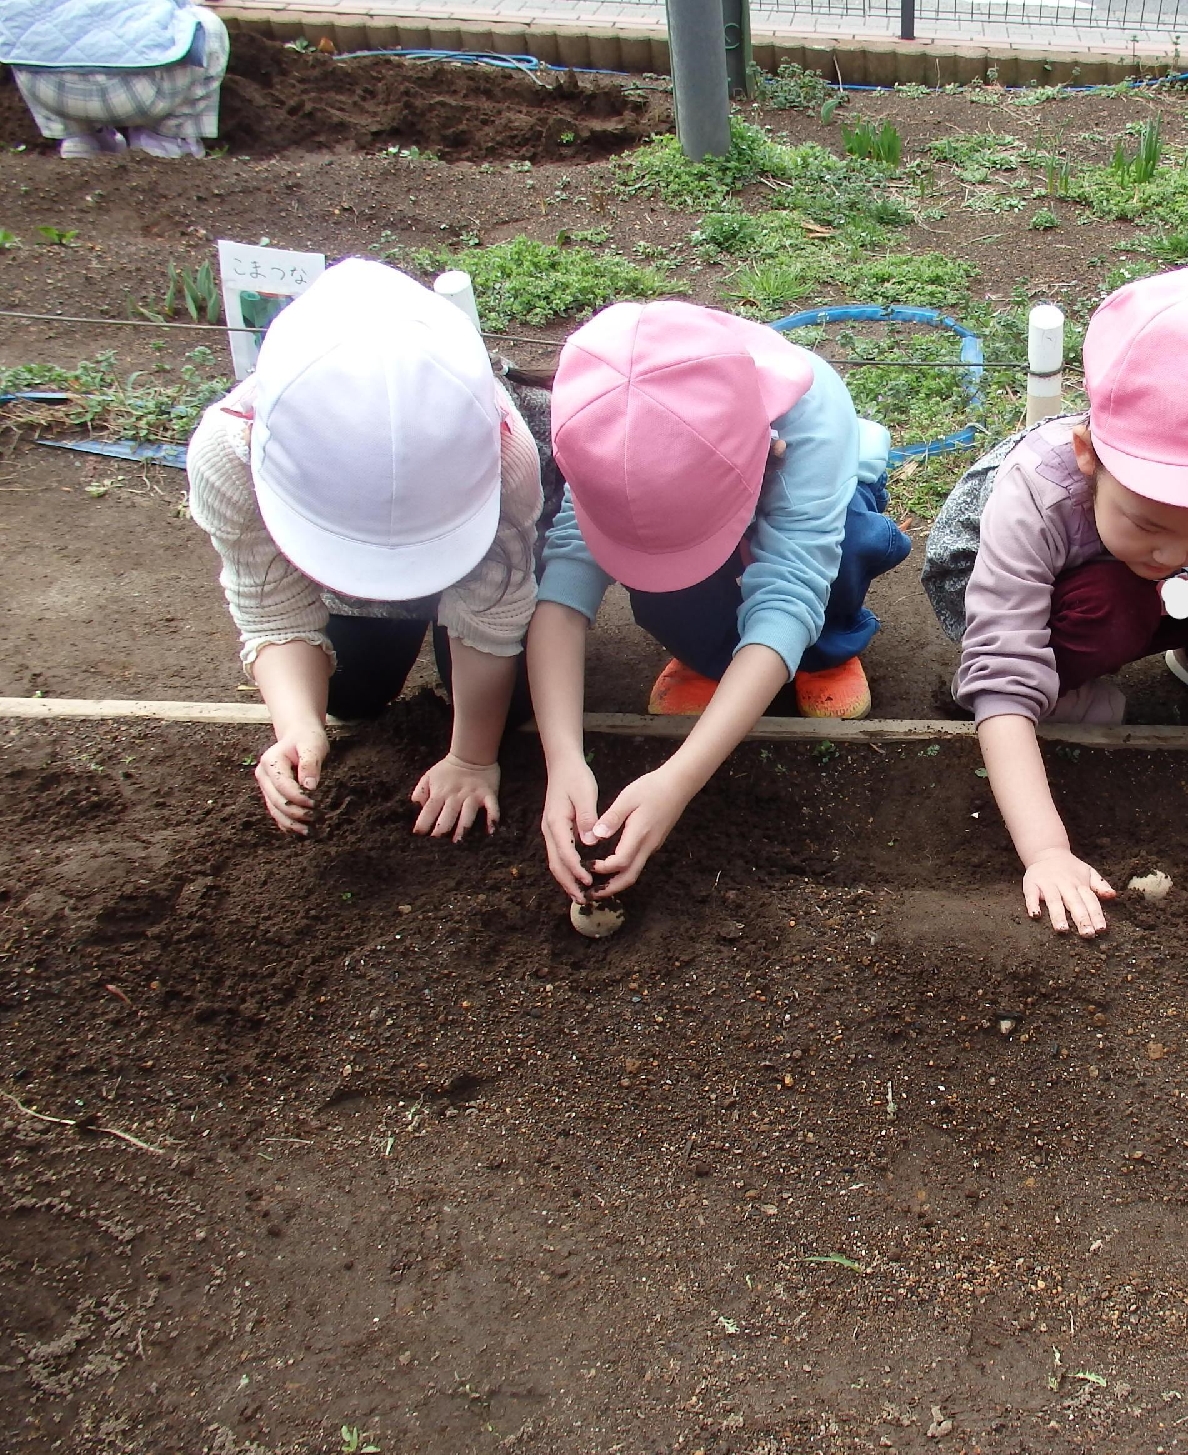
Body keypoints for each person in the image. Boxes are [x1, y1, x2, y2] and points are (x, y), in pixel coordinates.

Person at [923, 270, 1188, 940]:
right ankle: (1064, 694)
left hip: (1123, 584)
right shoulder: (1038, 494)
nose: (1178, 550)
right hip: (1009, 595)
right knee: (1110, 603)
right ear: (1089, 455)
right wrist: (1048, 853)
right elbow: (1003, 668)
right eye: (1149, 524)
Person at [529, 300, 910, 900]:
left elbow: (792, 585)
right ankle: (711, 658)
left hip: (827, 495)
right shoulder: (604, 425)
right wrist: (563, 760)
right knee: (676, 597)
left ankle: (830, 652)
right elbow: (565, 586)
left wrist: (677, 780)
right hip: (710, 488)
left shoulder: (811, 412)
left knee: (846, 552)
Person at [186, 258, 544, 840]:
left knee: (510, 712)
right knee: (348, 697)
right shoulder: (228, 453)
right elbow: (268, 604)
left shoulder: (507, 456)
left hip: (480, 564)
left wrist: (473, 758)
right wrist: (298, 726)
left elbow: (494, 606)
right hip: (346, 590)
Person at [1, 0, 228, 160]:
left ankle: (78, 140)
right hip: (141, 92)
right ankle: (164, 142)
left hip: (49, 91)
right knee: (206, 24)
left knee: (22, 39)